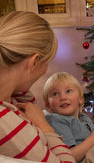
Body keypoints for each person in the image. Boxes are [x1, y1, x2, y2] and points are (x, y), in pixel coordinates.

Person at [0, 11, 76, 163]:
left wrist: (18, 81)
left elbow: (27, 102)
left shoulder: (10, 96)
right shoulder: (5, 124)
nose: (45, 69)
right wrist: (45, 127)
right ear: (34, 62)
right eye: (47, 62)